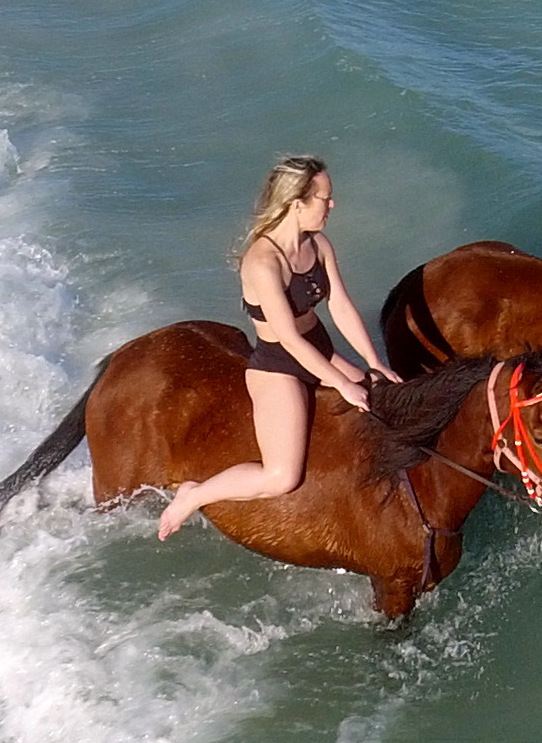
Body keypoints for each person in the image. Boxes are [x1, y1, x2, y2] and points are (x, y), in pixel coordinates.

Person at [156, 154, 397, 541]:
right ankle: (194, 494)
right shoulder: (262, 262)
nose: (332, 205)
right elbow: (288, 338)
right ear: (297, 203)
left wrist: (374, 363)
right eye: (325, 198)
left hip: (320, 348)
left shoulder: (317, 244)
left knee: (384, 406)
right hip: (279, 365)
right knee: (281, 476)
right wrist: (343, 383)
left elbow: (340, 305)